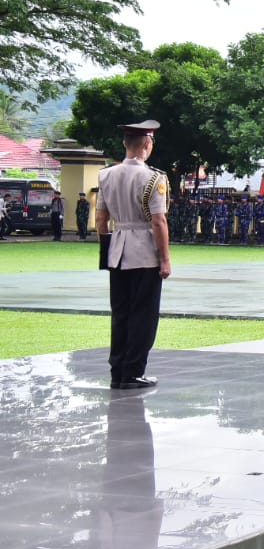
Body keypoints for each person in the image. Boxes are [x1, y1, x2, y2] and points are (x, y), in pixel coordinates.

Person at [95, 119, 171, 390]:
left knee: (121, 313)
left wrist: (107, 251)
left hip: (118, 250)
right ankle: (134, 371)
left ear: (125, 144)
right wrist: (165, 258)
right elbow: (158, 222)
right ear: (147, 145)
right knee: (144, 315)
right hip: (144, 253)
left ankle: (118, 370)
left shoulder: (106, 175)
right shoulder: (153, 178)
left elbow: (101, 219)